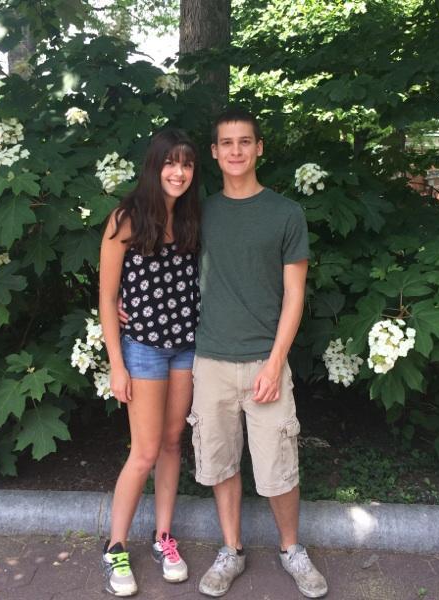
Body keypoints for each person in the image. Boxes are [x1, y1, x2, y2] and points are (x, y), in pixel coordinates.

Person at [190, 107, 328, 598]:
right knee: (220, 463)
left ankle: (291, 549)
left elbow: (295, 294)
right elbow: (158, 260)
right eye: (226, 143)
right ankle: (231, 550)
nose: (236, 151)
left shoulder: (286, 213)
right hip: (210, 360)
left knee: (278, 467)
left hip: (266, 363)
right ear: (214, 152)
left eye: (245, 141)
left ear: (259, 148)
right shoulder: (199, 212)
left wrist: (274, 362)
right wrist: (123, 302)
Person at [98, 128, 201, 597]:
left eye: (187, 164)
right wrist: (116, 364)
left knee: (173, 442)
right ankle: (115, 546)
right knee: (144, 451)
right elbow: (107, 298)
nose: (179, 172)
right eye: (170, 163)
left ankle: (163, 538)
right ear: (154, 166)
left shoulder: (192, 218)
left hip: (186, 346)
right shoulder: (126, 218)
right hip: (142, 347)